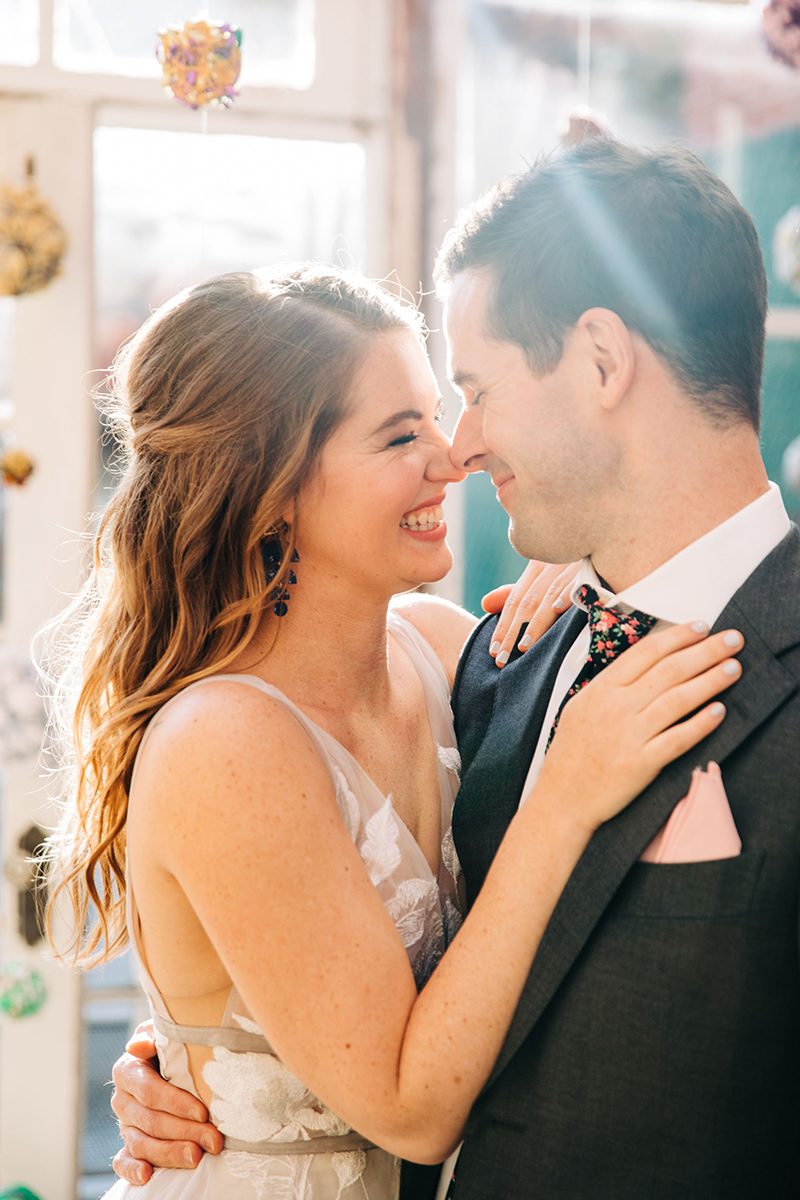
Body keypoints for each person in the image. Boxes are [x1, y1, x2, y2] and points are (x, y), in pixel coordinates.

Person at [46, 263, 741, 1200]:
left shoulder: (441, 648)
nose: (452, 458)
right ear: (273, 486)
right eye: (399, 434)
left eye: (442, 414)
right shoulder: (224, 741)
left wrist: (587, 567)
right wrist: (566, 796)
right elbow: (411, 1109)